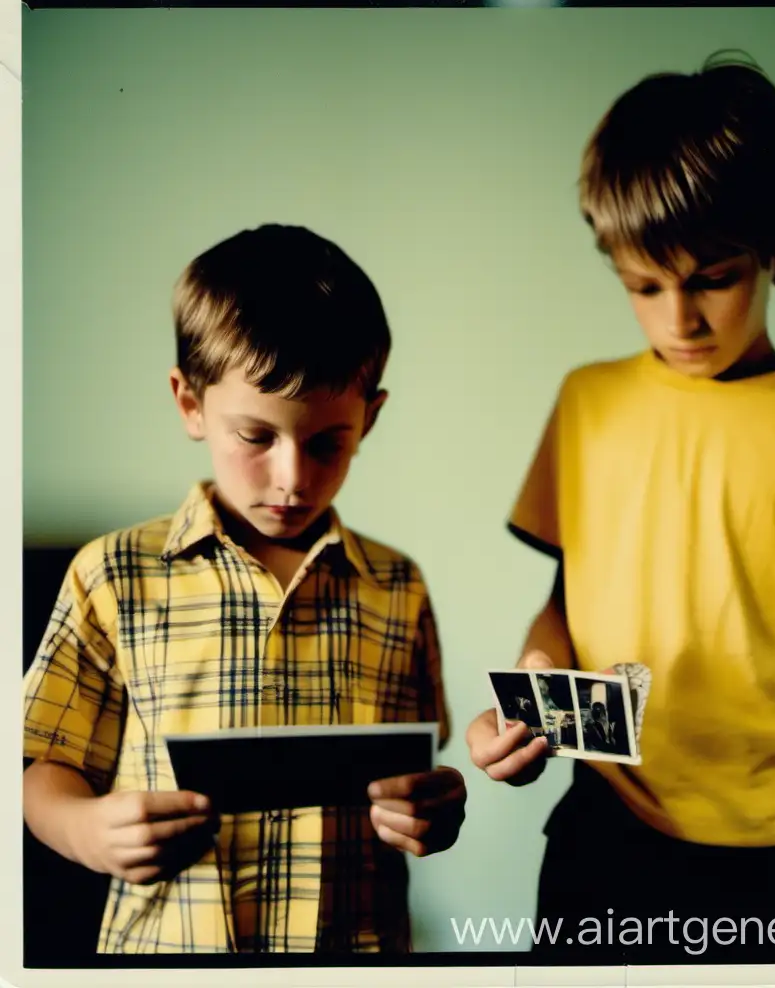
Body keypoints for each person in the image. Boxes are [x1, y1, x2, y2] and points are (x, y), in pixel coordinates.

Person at [466, 51, 775, 963]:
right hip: (605, 834)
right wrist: (535, 676)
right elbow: (567, 599)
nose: (678, 318)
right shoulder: (587, 402)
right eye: (644, 287)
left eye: (712, 279)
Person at [22, 224, 466, 955]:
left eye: (328, 442)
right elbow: (45, 764)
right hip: (167, 952)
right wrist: (84, 833)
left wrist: (433, 808)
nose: (292, 478)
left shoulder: (397, 586)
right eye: (256, 438)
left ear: (370, 418)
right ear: (190, 404)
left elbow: (414, 770)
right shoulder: (113, 574)